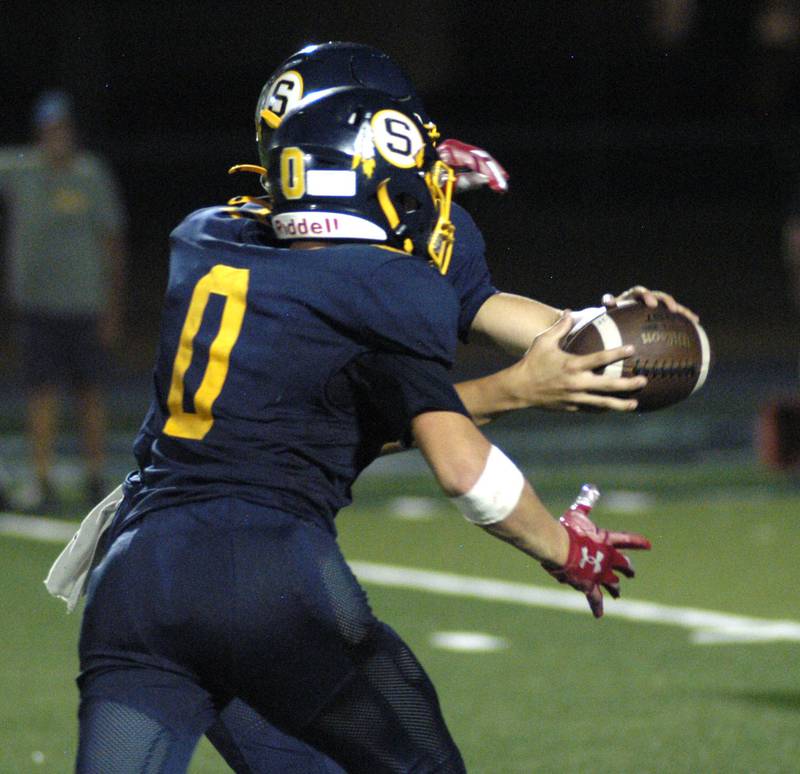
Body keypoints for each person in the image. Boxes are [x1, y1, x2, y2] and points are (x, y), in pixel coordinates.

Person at [74, 86, 650, 773]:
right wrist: (566, 548)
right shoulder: (386, 285)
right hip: (267, 579)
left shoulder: (206, 236)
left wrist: (601, 329)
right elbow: (464, 471)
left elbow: (332, 424)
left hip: (135, 578)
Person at [0, 91, 127, 512]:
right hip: (37, 307)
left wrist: (113, 307)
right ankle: (42, 479)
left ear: (72, 131)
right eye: (49, 129)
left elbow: (113, 241)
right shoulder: (22, 171)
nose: (57, 136)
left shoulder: (91, 174)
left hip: (85, 305)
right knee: (40, 393)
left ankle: (95, 478)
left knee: (91, 393)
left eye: (63, 128)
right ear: (40, 133)